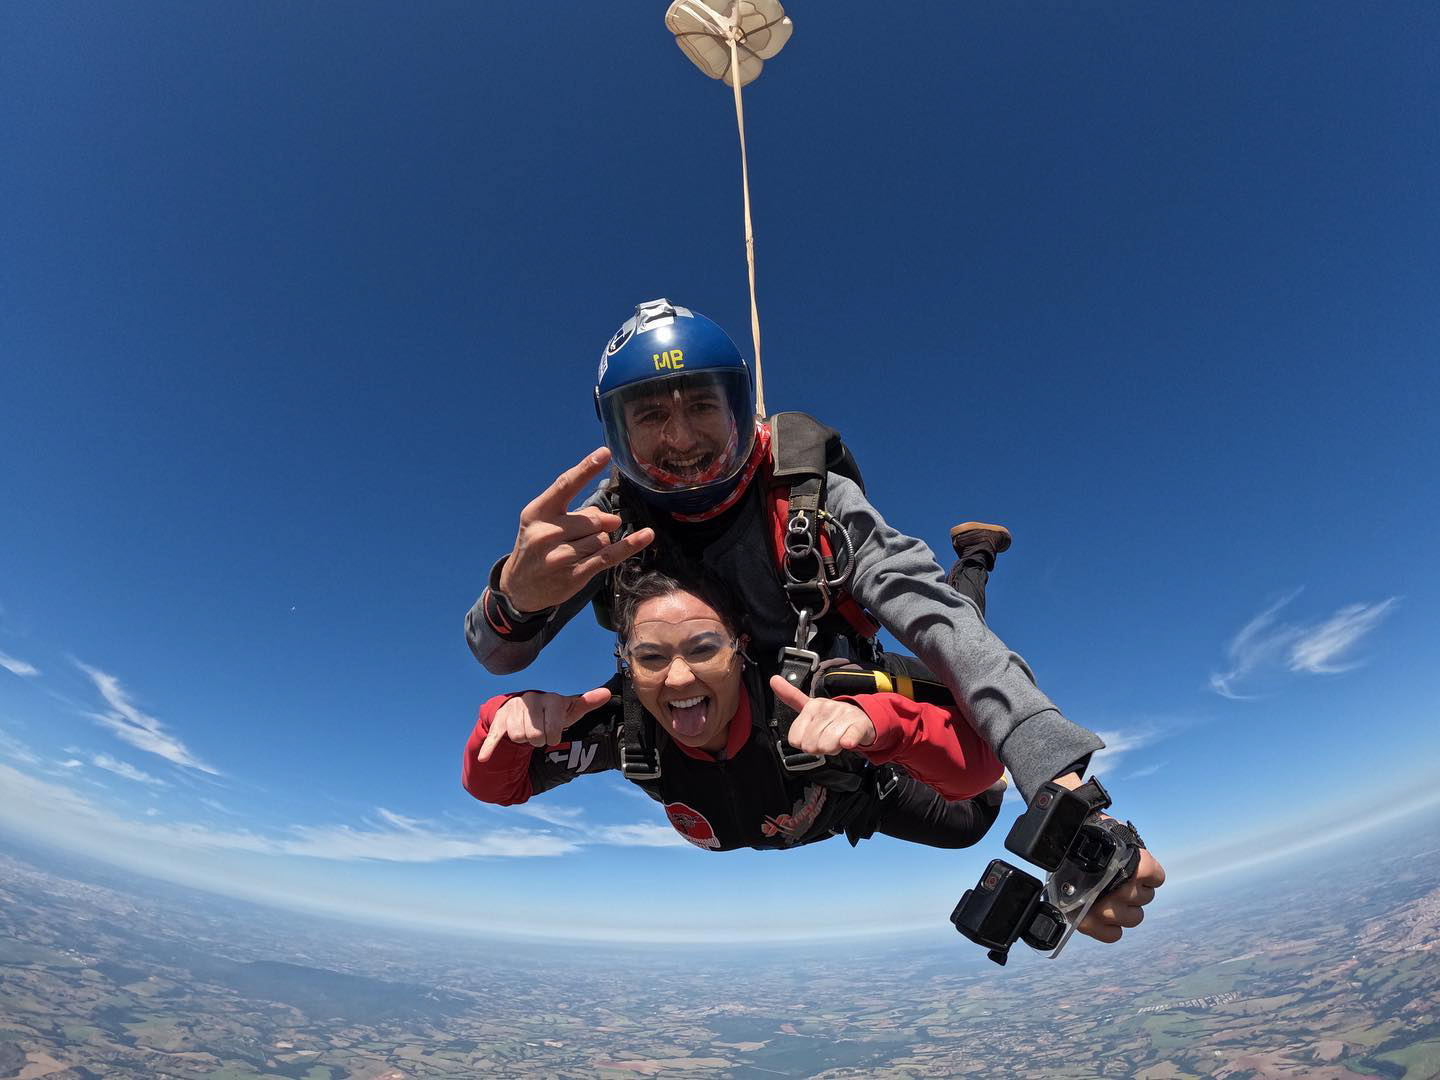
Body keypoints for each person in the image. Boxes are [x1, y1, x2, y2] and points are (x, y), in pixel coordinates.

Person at [465, 298, 1164, 941]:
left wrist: (1060, 787)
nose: (678, 439)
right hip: (782, 761)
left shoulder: (811, 505)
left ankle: (974, 557)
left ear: (741, 409)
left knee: (967, 765)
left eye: (701, 406)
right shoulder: (604, 537)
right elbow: (497, 660)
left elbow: (940, 623)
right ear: (615, 430)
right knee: (949, 758)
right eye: (649, 415)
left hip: (842, 712)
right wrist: (515, 598)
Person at [464, 558, 1008, 852]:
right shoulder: (625, 726)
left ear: (740, 648)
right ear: (625, 662)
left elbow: (984, 754)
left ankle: (973, 562)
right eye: (650, 656)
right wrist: (507, 720)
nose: (678, 678)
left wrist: (879, 725)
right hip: (808, 813)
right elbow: (499, 786)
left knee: (956, 655)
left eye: (703, 649)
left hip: (863, 796)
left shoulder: (812, 694)